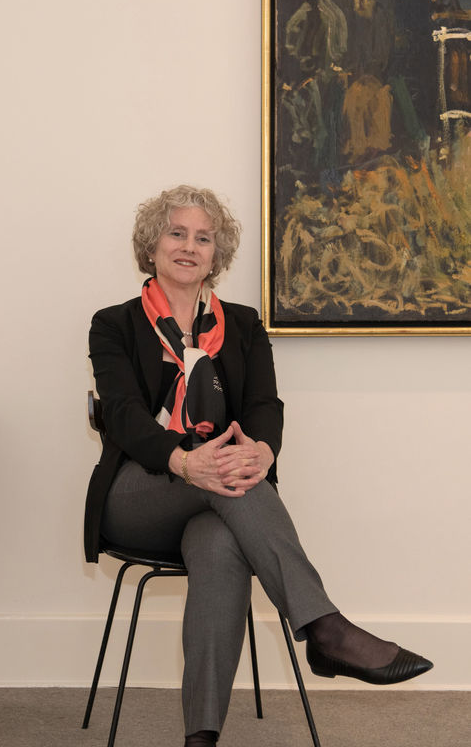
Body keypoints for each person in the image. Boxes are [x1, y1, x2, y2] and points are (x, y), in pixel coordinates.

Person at [84, 185, 433, 747]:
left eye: (203, 237)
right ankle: (326, 629)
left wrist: (264, 451)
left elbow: (265, 407)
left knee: (220, 543)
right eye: (177, 233)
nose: (189, 246)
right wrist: (183, 461)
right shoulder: (114, 324)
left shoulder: (242, 326)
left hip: (222, 495)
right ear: (152, 245)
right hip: (140, 492)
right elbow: (123, 416)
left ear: (216, 255)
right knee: (226, 476)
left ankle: (201, 735)